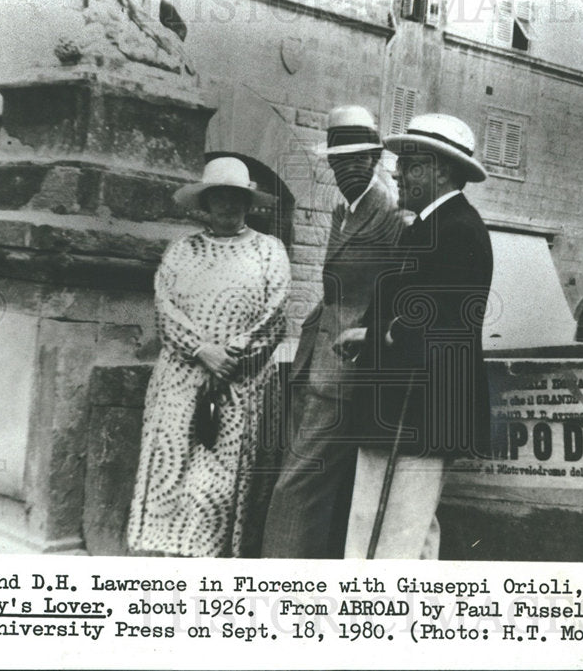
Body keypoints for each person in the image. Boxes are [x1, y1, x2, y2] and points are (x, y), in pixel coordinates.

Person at [337, 113, 494, 559]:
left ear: (441, 170)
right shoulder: (428, 227)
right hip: (406, 407)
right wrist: (370, 334)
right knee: (411, 533)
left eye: (409, 165)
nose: (396, 172)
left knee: (390, 534)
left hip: (418, 410)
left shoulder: (459, 230)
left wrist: (377, 335)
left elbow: (447, 326)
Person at [127, 157, 291, 557]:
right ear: (205, 201)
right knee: (172, 474)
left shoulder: (269, 251)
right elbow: (164, 307)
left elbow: (276, 312)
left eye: (237, 198)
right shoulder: (181, 251)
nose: (228, 206)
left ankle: (209, 565)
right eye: (219, 197)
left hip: (238, 383)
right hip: (181, 381)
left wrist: (231, 356)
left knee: (216, 485)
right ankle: (164, 563)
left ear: (248, 203)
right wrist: (202, 350)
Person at [262, 105, 405, 558]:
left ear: (375, 159)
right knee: (308, 481)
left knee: (297, 485)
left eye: (355, 160)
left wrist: (366, 336)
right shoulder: (344, 208)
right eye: (337, 161)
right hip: (317, 358)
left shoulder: (389, 214)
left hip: (347, 370)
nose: (344, 170)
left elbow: (397, 293)